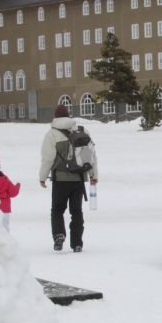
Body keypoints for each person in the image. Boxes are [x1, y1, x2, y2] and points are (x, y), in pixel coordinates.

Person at [39, 104, 97, 252]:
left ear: (55, 117)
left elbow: (48, 159)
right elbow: (91, 156)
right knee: (76, 211)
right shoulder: (82, 131)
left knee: (57, 210)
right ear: (68, 115)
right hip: (78, 179)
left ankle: (59, 235)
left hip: (60, 180)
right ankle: (77, 243)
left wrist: (42, 177)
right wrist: (93, 175)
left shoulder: (51, 134)